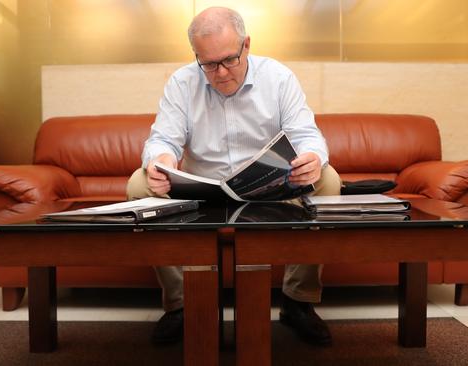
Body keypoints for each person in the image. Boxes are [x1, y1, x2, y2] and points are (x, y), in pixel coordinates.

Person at [126, 6, 341, 346]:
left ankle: (297, 301)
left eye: (229, 60)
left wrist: (312, 158)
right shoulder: (182, 82)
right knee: (138, 184)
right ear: (196, 56)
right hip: (202, 190)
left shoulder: (278, 77)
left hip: (271, 187)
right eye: (208, 64)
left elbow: (306, 134)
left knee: (328, 180)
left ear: (247, 45)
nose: (221, 72)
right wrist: (161, 163)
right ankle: (182, 303)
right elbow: (163, 140)